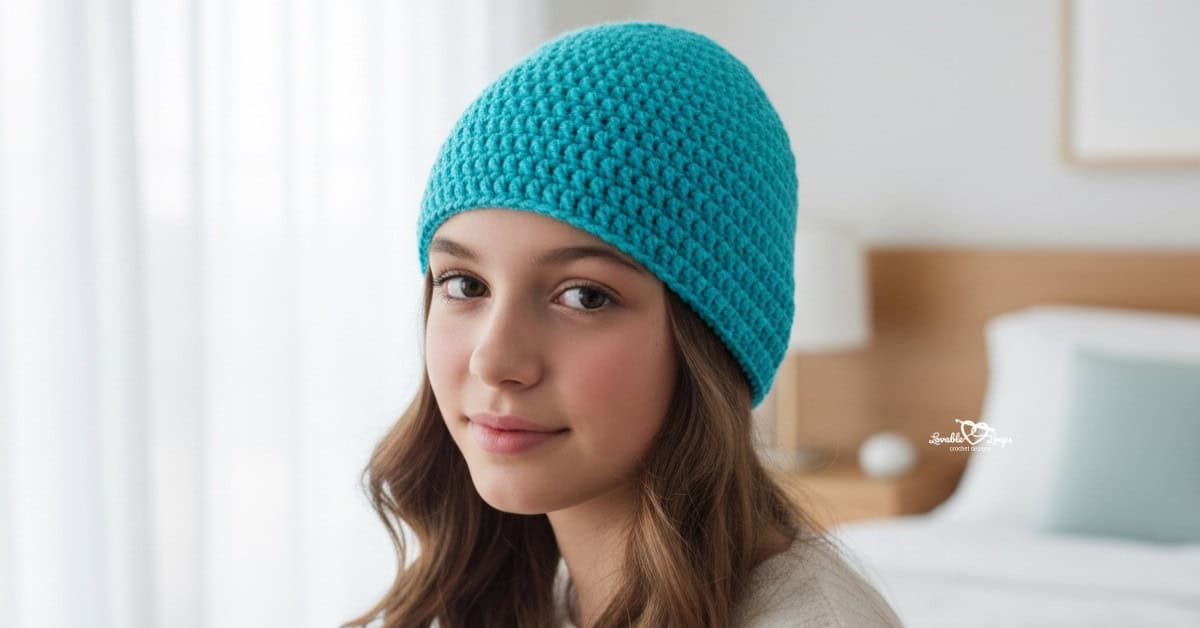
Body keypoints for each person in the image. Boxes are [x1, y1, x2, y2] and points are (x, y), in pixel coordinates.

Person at [344, 21, 905, 628]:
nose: (493, 360)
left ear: (711, 338)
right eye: (464, 285)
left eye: (584, 296)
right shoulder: (530, 594)